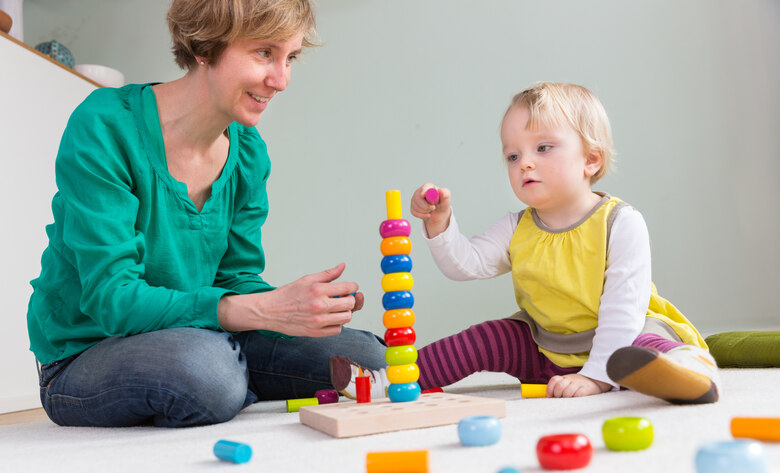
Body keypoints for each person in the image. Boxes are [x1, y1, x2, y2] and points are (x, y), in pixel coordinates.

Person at [28, 0, 386, 428]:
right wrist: (261, 311)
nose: (281, 80)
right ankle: (224, 382)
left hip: (201, 334)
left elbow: (235, 278)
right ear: (205, 46)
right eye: (264, 53)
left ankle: (226, 382)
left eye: (290, 57)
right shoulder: (105, 126)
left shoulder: (248, 152)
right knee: (209, 372)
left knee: (369, 359)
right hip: (87, 351)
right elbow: (113, 298)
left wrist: (294, 308)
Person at [330, 82, 720, 405]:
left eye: (543, 148)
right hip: (546, 347)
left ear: (591, 159)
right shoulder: (518, 227)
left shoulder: (621, 223)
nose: (524, 164)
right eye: (513, 156)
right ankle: (390, 380)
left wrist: (596, 376)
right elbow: (466, 265)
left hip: (620, 339)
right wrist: (440, 223)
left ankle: (693, 371)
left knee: (645, 345)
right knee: (486, 337)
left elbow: (622, 310)